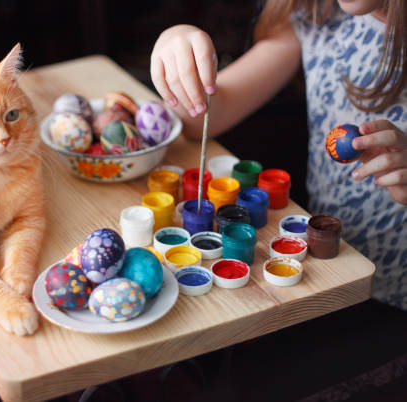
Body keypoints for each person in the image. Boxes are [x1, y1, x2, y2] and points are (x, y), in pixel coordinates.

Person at [150, 0, 406, 310]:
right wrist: (178, 53)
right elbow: (205, 118)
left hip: (392, 298)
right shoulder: (318, 13)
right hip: (323, 273)